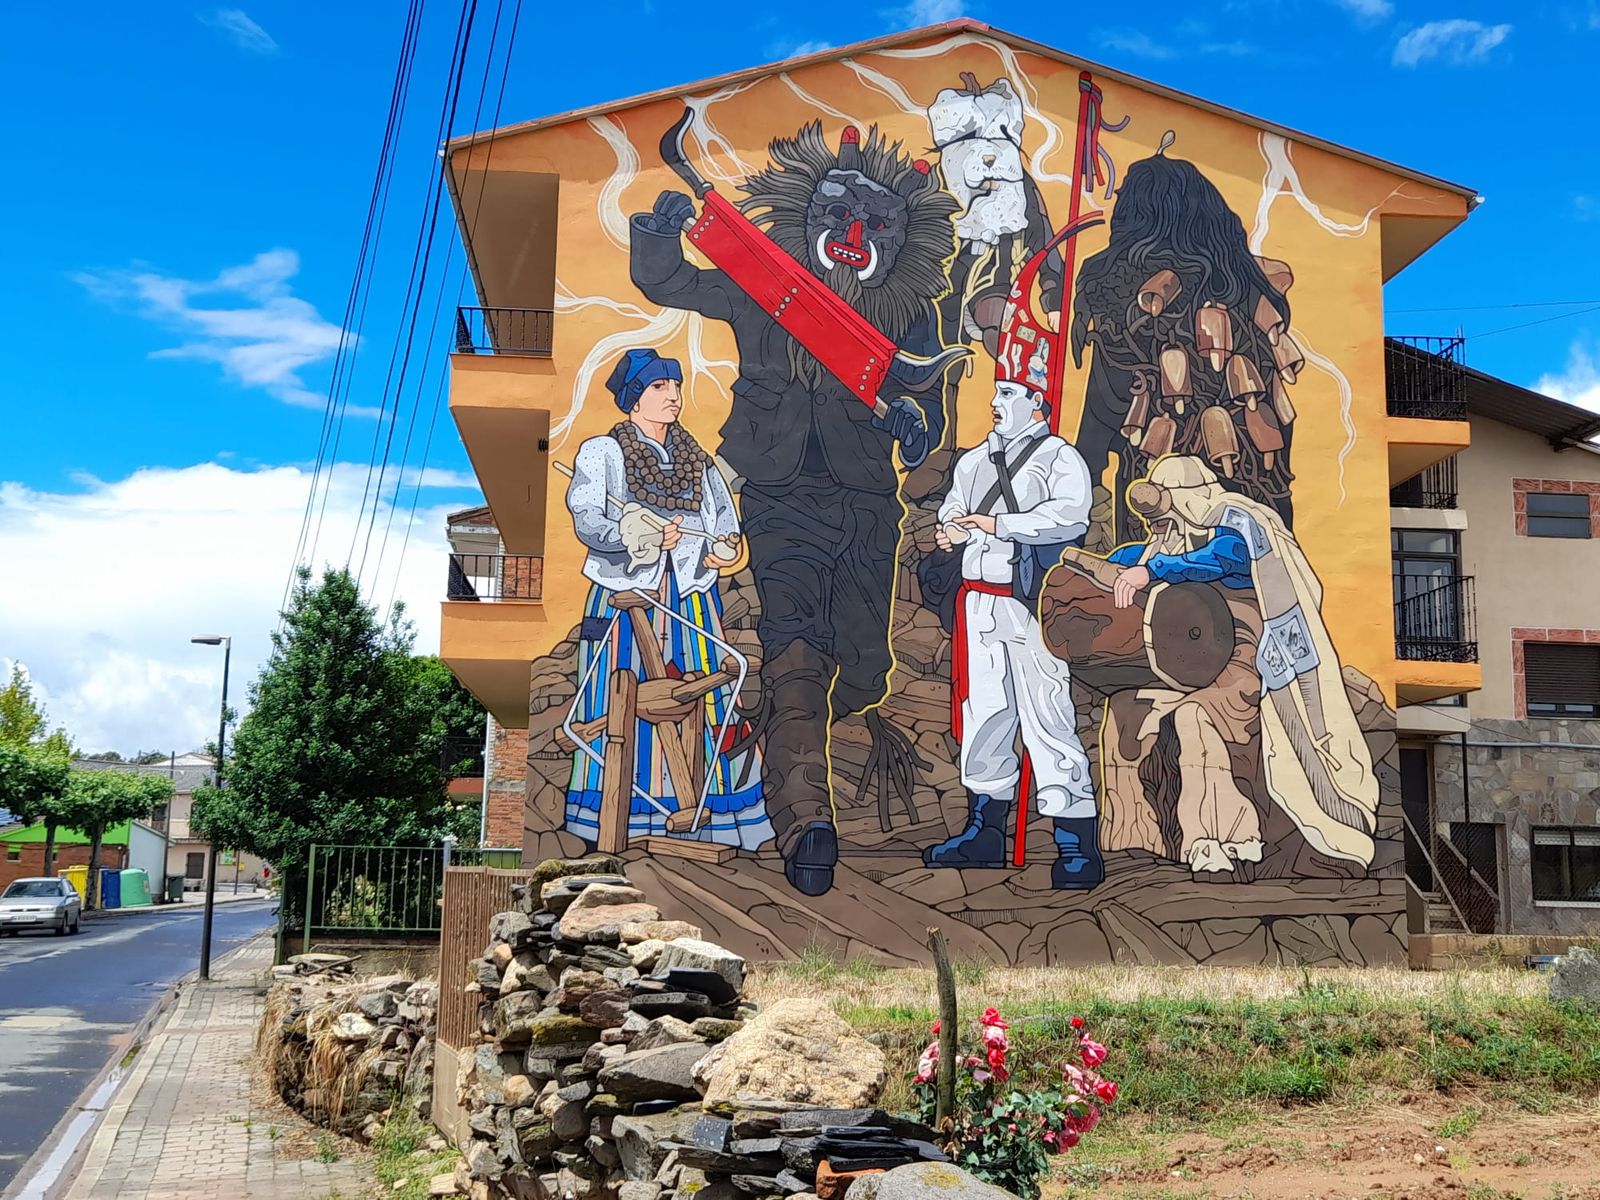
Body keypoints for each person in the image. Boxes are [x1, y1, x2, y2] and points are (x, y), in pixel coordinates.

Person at [1103, 455, 1378, 871]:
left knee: (1200, 720)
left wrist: (1154, 568)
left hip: (1252, 655)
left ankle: (1231, 837)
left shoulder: (1237, 520)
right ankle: (1152, 836)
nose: (1159, 527)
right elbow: (1147, 555)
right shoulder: (1178, 535)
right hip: (1201, 661)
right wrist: (1117, 564)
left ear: (1183, 498)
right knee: (1134, 716)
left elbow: (1223, 558)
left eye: (1165, 511)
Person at [562, 348, 772, 850]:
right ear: (634, 398)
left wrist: (724, 550)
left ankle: (711, 815)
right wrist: (633, 532)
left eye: (675, 386)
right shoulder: (602, 453)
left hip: (691, 599)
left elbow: (725, 525)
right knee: (620, 699)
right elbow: (588, 517)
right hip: (627, 599)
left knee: (705, 694)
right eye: (659, 387)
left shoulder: (697, 461)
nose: (673, 396)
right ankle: (613, 815)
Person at [923, 378, 1102, 888]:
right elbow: (953, 508)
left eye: (1008, 394)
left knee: (1048, 713)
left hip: (1030, 604)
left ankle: (1074, 840)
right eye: (996, 392)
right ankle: (985, 828)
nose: (995, 404)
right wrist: (952, 528)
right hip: (978, 601)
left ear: (1037, 403)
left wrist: (1001, 526)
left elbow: (1068, 518)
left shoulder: (1060, 459)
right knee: (985, 715)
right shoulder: (975, 460)